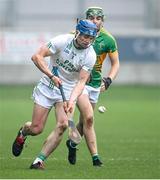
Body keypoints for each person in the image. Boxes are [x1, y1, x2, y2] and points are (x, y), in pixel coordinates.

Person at [12, 19, 98, 169]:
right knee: (36, 129)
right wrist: (52, 75)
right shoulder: (62, 41)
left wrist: (71, 101)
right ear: (77, 32)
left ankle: (38, 161)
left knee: (64, 124)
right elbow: (37, 56)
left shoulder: (90, 55)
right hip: (48, 86)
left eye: (90, 38)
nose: (87, 40)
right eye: (84, 36)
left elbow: (81, 82)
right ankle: (23, 132)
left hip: (67, 89)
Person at [66, 7, 120, 166]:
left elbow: (115, 63)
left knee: (84, 122)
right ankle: (96, 158)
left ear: (102, 20)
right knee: (89, 118)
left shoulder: (108, 39)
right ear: (86, 19)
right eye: (91, 18)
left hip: (95, 84)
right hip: (79, 84)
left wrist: (108, 80)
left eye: (98, 18)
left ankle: (72, 143)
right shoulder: (74, 35)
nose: (95, 21)